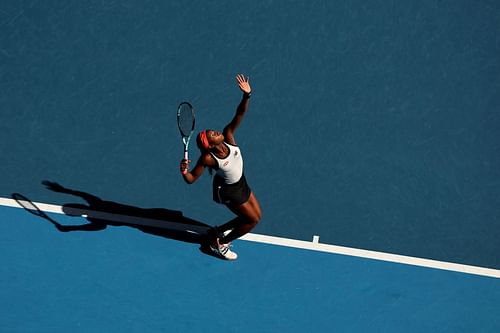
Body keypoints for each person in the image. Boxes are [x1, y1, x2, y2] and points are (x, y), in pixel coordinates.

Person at [179, 74, 262, 260]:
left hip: (241, 183)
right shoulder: (209, 158)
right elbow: (191, 179)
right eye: (212, 135)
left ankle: (217, 232)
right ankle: (219, 244)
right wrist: (184, 170)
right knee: (252, 221)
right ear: (209, 144)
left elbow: (240, 113)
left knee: (257, 215)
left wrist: (246, 95)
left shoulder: (229, 135)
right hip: (229, 191)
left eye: (214, 131)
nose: (216, 132)